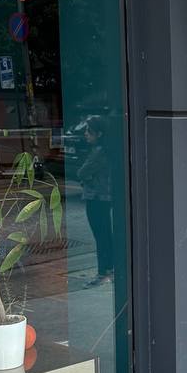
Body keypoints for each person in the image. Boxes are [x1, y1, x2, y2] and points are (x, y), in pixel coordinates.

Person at [78, 116, 114, 286]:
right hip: (103, 197)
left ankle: (103, 273)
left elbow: (82, 172)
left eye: (89, 131)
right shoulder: (106, 149)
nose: (86, 134)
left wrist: (87, 178)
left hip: (96, 197)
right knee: (105, 234)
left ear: (98, 133)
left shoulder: (98, 152)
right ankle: (109, 269)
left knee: (100, 235)